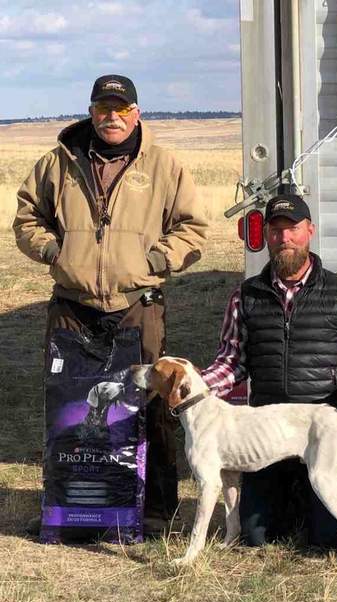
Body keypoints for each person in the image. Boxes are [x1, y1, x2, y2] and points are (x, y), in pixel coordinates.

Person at [14, 74, 209, 533]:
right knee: (68, 404)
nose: (112, 117)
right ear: (91, 111)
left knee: (151, 404)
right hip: (72, 303)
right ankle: (66, 505)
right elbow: (27, 217)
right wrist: (51, 251)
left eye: (122, 109)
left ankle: (156, 509)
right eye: (104, 108)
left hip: (137, 303)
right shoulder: (57, 164)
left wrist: (158, 257)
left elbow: (193, 228)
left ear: (136, 113)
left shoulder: (163, 166)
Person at [200, 193, 337, 552]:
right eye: (276, 230)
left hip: (320, 424)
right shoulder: (245, 296)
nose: (285, 238)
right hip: (266, 429)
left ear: (309, 232)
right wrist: (197, 386)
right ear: (266, 236)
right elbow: (231, 361)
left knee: (328, 541)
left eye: (293, 229)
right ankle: (292, 503)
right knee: (257, 538)